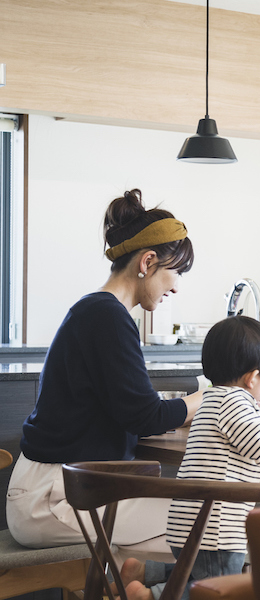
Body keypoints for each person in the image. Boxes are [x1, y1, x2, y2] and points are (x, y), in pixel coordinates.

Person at [6, 189, 204, 548]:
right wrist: (205, 400)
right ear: (147, 263)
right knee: (207, 523)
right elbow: (144, 415)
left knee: (187, 528)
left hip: (62, 487)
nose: (175, 288)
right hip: (53, 498)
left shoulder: (100, 311)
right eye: (175, 272)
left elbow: (129, 406)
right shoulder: (107, 316)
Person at [120, 316, 260, 600]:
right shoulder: (236, 407)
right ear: (253, 378)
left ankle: (143, 574)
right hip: (217, 528)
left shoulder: (213, 400)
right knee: (219, 590)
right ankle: (150, 597)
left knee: (196, 572)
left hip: (188, 523)